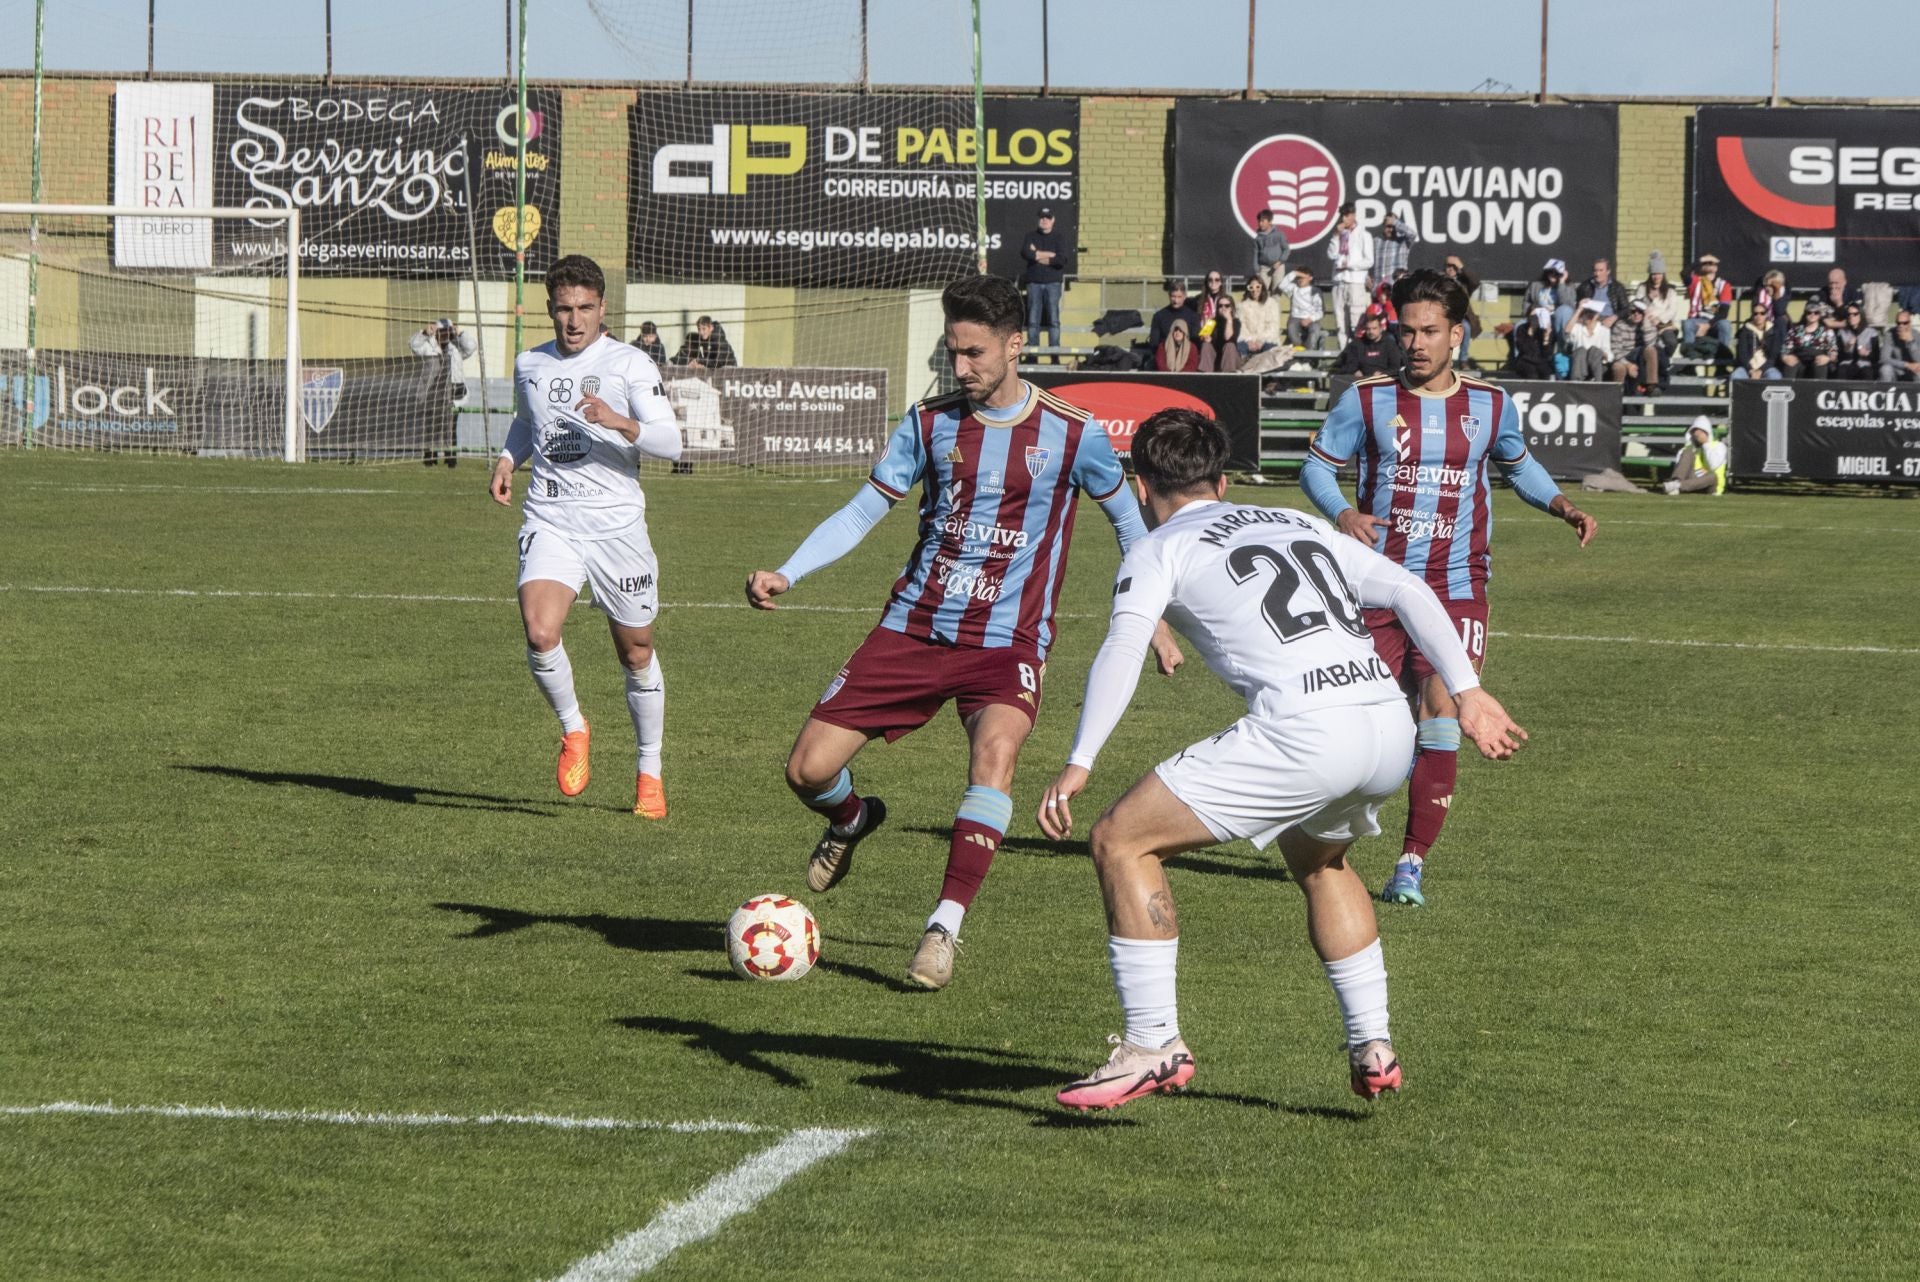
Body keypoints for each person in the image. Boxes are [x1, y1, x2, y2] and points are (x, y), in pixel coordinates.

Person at [1039, 409, 1528, 1111]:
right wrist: (1469, 691)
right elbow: (1409, 589)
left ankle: (1153, 1044)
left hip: (1306, 733)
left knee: (1122, 839)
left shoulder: (1156, 549)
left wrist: (1081, 758)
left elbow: (1123, 647)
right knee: (1320, 859)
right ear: (1224, 481)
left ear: (1141, 489)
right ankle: (1374, 1043)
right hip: (1386, 724)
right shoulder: (1294, 519)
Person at [743, 274, 1182, 991]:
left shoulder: (1075, 435)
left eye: (975, 352)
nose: (962, 366)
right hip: (913, 629)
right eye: (954, 351)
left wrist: (1156, 616)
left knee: (996, 760)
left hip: (1008, 643)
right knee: (808, 771)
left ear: (1014, 346)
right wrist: (790, 572)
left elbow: (1132, 528)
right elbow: (863, 511)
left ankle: (942, 929)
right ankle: (853, 820)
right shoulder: (927, 425)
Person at [1299, 268, 1596, 907]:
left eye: (1429, 331)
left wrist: (1562, 506)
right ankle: (1330, 839)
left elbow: (1519, 465)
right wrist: (1343, 514)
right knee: (1363, 721)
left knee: (1441, 708)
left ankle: (1412, 860)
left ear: (1456, 335)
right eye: (1406, 331)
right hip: (1374, 585)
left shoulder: (1490, 405)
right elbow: (1316, 467)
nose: (1415, 343)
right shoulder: (1367, 399)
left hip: (1456, 584)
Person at [488, 255, 684, 819]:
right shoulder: (531, 364)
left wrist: (618, 422)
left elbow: (672, 443)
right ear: (550, 309)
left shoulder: (629, 364)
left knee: (636, 649)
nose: (574, 321)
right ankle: (575, 729)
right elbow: (529, 421)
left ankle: (649, 769)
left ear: (602, 308)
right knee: (540, 631)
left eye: (585, 309)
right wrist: (507, 458)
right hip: (551, 519)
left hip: (616, 527)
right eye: (564, 309)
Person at [410, 316, 478, 467]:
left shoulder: (457, 348)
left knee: (451, 426)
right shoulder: (428, 346)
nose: (445, 335)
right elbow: (414, 345)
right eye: (443, 332)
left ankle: (450, 458)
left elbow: (472, 346)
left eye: (448, 332)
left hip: (454, 392)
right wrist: (424, 333)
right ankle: (430, 458)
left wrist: (460, 334)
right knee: (432, 426)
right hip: (433, 391)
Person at [1020, 206, 1071, 357]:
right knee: (1033, 319)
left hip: (1053, 283)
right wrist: (1049, 255)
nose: (1044, 220)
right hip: (1034, 282)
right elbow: (1026, 253)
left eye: (1047, 218)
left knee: (1053, 320)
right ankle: (1033, 356)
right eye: (1042, 217)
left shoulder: (1059, 237)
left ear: (1053, 220)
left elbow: (1061, 260)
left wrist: (1037, 254)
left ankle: (1054, 354)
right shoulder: (1030, 236)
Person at [1325, 204, 1374, 348]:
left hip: (1355, 282)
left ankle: (1358, 352)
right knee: (1340, 321)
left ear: (1353, 216)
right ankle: (1343, 354)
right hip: (1339, 282)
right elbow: (1331, 254)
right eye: (1342, 216)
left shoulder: (1364, 235)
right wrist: (1335, 236)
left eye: (1347, 215)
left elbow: (1369, 261)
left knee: (1356, 320)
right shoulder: (1339, 234)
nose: (1344, 219)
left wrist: (1350, 264)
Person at [1635, 253, 1684, 388]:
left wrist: (1659, 320)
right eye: (1654, 274)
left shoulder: (1670, 291)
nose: (1656, 277)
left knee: (1671, 342)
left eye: (1659, 273)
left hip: (1664, 324)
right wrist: (1649, 314)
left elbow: (1672, 310)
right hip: (1647, 323)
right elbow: (1638, 304)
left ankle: (1663, 362)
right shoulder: (1643, 288)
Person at [1662, 416, 1727, 496]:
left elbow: (1713, 465)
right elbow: (1679, 468)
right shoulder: (1688, 450)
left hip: (1712, 486)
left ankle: (1677, 486)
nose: (1697, 435)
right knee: (1687, 452)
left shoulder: (1719, 446)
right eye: (1695, 432)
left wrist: (1705, 443)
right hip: (1692, 482)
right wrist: (1691, 445)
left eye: (1701, 432)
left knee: (1713, 477)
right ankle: (1675, 483)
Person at [1684, 254, 1735, 355]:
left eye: (1711, 263)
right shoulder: (1695, 281)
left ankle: (1722, 361)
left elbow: (1723, 312)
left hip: (1714, 322)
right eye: (1705, 263)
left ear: (1716, 267)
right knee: (1687, 324)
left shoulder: (1724, 285)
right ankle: (1689, 361)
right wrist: (1700, 259)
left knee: (1725, 325)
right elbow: (1684, 273)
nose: (1708, 265)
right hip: (1697, 319)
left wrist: (1707, 325)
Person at [1609, 299, 1662, 393]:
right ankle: (1617, 394)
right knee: (1618, 367)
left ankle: (1651, 385)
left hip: (1640, 357)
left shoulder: (1649, 325)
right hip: (1623, 357)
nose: (1637, 314)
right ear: (1629, 312)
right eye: (1634, 311)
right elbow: (1615, 350)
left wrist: (1646, 322)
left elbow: (1649, 343)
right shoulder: (1620, 325)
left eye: (1640, 312)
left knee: (1651, 350)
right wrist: (1628, 365)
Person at [1332, 308, 1403, 378]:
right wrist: (1354, 371)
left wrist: (1383, 374)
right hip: (1362, 382)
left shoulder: (1390, 345)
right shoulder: (1357, 344)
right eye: (1368, 329)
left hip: (1384, 383)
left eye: (1374, 328)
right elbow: (1347, 364)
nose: (1371, 332)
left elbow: (1396, 367)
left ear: (1381, 328)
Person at [1441, 255, 1482, 365]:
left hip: (1461, 317)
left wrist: (1461, 266)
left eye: (1454, 267)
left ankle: (1463, 359)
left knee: (1466, 328)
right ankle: (1444, 359)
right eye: (1448, 266)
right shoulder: (1440, 281)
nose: (1451, 269)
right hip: (1443, 315)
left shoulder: (1463, 282)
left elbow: (1475, 281)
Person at [1781, 304, 1837, 379]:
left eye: (1816, 313)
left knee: (1821, 363)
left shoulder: (1827, 331)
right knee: (1790, 364)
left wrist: (1828, 358)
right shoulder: (1795, 330)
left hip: (1817, 360)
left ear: (1819, 315)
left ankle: (1819, 390)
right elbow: (1785, 349)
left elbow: (1833, 351)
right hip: (1799, 360)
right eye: (1809, 312)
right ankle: (1788, 388)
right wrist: (1785, 357)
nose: (1812, 315)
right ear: (1805, 314)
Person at [1526, 259, 1576, 338]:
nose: (1552, 275)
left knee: (1564, 311)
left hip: (1556, 319)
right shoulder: (1536, 285)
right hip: (1538, 317)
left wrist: (1561, 283)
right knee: (1519, 327)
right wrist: (1529, 314)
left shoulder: (1569, 287)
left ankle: (1562, 348)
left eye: (1556, 273)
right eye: (1550, 272)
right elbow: (1527, 301)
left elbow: (1567, 305)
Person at [1564, 299, 1612, 381]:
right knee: (1580, 351)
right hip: (1579, 365)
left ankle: (1597, 382)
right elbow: (1567, 330)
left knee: (1594, 351)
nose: (1588, 317)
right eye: (1585, 314)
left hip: (1596, 364)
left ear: (1597, 315)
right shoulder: (1578, 328)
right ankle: (1576, 381)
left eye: (1591, 314)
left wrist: (1602, 354)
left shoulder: (1604, 330)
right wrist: (1579, 309)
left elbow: (1608, 352)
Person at [1732, 307, 1783, 380]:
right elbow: (1742, 355)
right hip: (1747, 368)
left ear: (1766, 315)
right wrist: (1750, 370)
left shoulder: (1774, 332)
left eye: (1762, 313)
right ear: (1752, 315)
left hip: (1767, 367)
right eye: (1755, 314)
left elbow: (1773, 357)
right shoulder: (1744, 331)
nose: (1759, 316)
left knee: (1775, 377)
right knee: (1735, 376)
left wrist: (1761, 370)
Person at [1281, 266, 1325, 351]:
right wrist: (1295, 273)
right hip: (1295, 318)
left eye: (1303, 277)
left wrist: (1310, 319)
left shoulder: (1315, 291)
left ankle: (1309, 353)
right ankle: (1300, 350)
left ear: (1310, 278)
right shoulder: (1293, 288)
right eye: (1298, 278)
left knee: (1314, 331)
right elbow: (1282, 285)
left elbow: (1321, 311)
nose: (1300, 280)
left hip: (1311, 319)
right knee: (1291, 329)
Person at [1238, 276, 1283, 359]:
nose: (1254, 290)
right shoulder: (1242, 306)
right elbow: (1241, 326)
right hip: (1248, 340)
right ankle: (1244, 369)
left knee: (1269, 349)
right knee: (1239, 348)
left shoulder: (1272, 304)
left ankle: (1266, 371)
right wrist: (1249, 340)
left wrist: (1261, 340)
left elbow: (1273, 326)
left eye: (1257, 287)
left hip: (1267, 339)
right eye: (1251, 287)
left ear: (1262, 287)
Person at [1148, 279, 1200, 350]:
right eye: (1173, 296)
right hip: (1164, 353)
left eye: (1179, 297)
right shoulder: (1159, 316)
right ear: (1169, 295)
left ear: (1184, 296)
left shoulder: (1193, 317)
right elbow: (1154, 343)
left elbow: (1195, 343)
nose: (1176, 301)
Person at [1508, 307, 1557, 380]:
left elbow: (1547, 354)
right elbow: (1523, 349)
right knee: (1531, 370)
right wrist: (1530, 333)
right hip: (1526, 360)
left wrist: (1546, 339)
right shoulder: (1522, 329)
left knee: (1545, 370)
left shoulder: (1546, 331)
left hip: (1541, 361)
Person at [1576, 258, 1628, 327]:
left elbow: (1626, 309)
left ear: (1608, 271)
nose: (1597, 274)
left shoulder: (1617, 287)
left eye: (1601, 270)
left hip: (1608, 318)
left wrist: (1614, 317)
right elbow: (1577, 303)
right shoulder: (1586, 286)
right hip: (1589, 318)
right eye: (1595, 271)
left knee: (1620, 326)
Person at [1833, 303, 1880, 380]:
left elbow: (1876, 356)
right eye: (1849, 314)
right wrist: (1847, 348)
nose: (1851, 317)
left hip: (1865, 363)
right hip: (1847, 363)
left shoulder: (1871, 332)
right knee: (1842, 370)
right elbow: (1839, 356)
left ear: (1861, 315)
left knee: (1867, 372)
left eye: (1855, 314)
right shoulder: (1842, 332)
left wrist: (1867, 353)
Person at [1372, 211, 1419, 285]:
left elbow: (1412, 234)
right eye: (1388, 226)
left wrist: (1394, 222)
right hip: (1379, 287)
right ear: (1383, 226)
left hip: (1397, 285)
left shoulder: (1403, 241)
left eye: (1393, 227)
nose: (1391, 230)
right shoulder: (1376, 242)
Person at [1251, 208, 1290, 294]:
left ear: (1270, 221)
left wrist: (1280, 262)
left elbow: (1286, 250)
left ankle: (1275, 307)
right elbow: (1256, 255)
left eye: (1263, 221)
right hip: (1264, 268)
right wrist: (1257, 270)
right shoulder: (1257, 238)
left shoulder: (1279, 235)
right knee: (1262, 292)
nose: (1260, 224)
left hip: (1278, 267)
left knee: (1276, 291)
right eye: (1259, 221)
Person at [1200, 295, 1243, 371]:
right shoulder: (1211, 321)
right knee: (1206, 345)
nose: (1223, 308)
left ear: (1231, 308)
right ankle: (1205, 375)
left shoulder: (1235, 322)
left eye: (1227, 306)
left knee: (1229, 345)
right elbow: (1203, 337)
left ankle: (1228, 377)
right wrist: (1206, 339)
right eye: (1220, 306)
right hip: (1215, 357)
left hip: (1231, 358)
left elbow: (1228, 338)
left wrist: (1229, 320)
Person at [1881, 311, 1920, 381]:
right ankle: (1887, 391)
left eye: (1905, 323)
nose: (1901, 326)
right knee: (1885, 369)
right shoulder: (1890, 334)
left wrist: (1911, 341)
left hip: (1912, 370)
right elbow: (1884, 358)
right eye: (1898, 323)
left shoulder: (1916, 334)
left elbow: (1918, 359)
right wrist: (1907, 365)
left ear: (1910, 323)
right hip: (1896, 369)